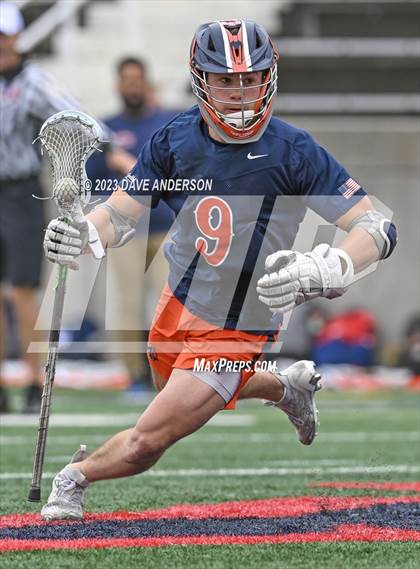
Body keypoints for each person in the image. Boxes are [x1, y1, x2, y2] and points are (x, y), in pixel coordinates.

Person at [41, 20, 397, 519]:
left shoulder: (293, 149)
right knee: (177, 392)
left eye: (251, 78)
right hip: (181, 297)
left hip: (242, 318)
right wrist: (82, 233)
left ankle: (75, 477)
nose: (241, 92)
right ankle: (285, 388)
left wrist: (334, 263)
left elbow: (377, 226)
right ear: (201, 79)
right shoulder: (174, 139)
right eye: (227, 80)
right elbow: (121, 214)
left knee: (150, 436)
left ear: (269, 77)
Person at [0, 2, 133, 413]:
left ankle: (32, 382)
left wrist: (112, 149)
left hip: (19, 193)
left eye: (3, 35)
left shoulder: (33, 81)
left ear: (16, 36)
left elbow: (75, 115)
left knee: (21, 290)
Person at [86, 57, 176, 388]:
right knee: (129, 304)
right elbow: (90, 179)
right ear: (118, 84)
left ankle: (169, 370)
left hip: (166, 227)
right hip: (127, 231)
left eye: (138, 79)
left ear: (146, 82)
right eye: (127, 80)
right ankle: (136, 373)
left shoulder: (166, 124)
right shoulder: (106, 130)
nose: (133, 86)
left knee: (169, 302)